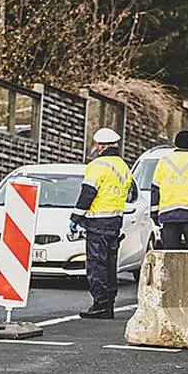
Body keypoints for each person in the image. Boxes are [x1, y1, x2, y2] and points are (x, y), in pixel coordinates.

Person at [70, 128, 133, 319]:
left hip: (97, 222)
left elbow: (88, 192)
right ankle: (109, 304)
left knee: (97, 265)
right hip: (115, 222)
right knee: (110, 265)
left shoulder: (98, 165)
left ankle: (100, 305)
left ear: (100, 146)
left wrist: (75, 217)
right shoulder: (124, 167)